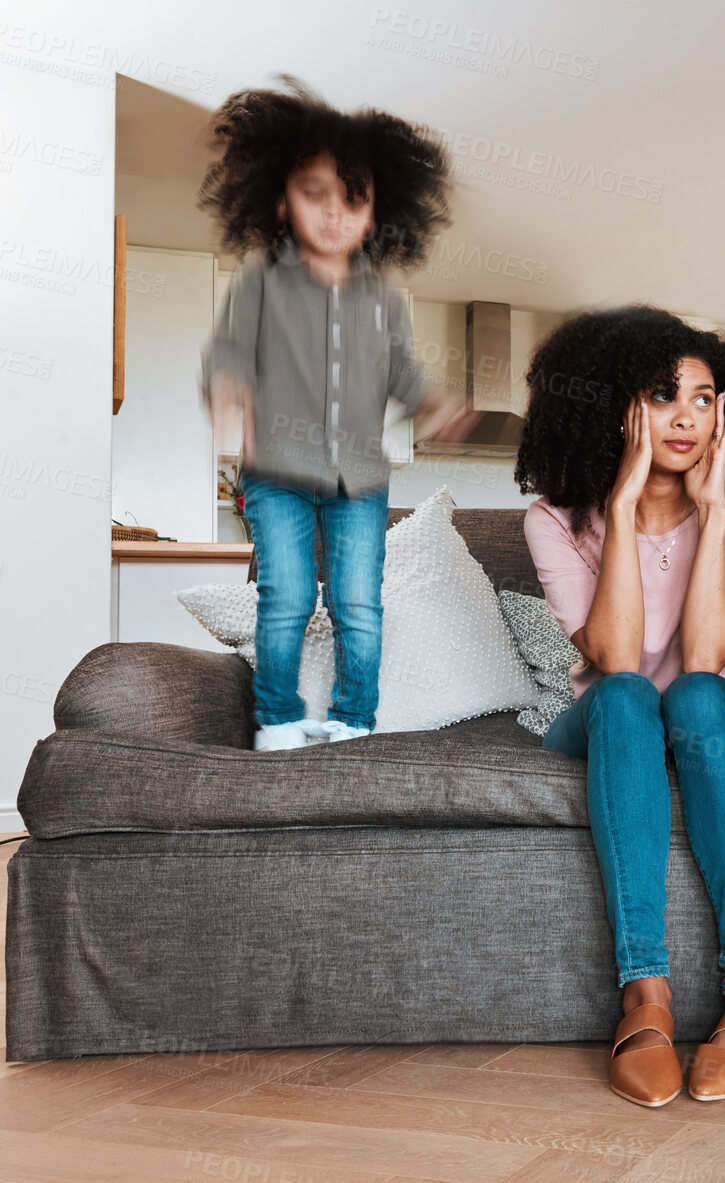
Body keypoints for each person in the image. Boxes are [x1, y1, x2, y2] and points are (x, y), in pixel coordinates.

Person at [519, 306, 725, 1107]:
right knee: (628, 690)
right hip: (616, 712)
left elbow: (707, 654)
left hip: (718, 710)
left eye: (705, 398)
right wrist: (626, 494)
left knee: (696, 688)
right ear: (616, 404)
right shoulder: (555, 518)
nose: (686, 415)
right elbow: (612, 655)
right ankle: (644, 995)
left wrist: (712, 514)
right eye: (662, 394)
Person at [199, 79, 474, 751]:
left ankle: (354, 720)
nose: (332, 213)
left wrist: (435, 404)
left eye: (351, 197)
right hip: (276, 473)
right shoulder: (259, 282)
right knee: (287, 600)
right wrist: (229, 386)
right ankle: (279, 720)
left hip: (360, 479)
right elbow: (227, 353)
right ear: (280, 201)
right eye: (312, 193)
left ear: (375, 214)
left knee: (358, 606)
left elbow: (404, 378)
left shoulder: (387, 301)